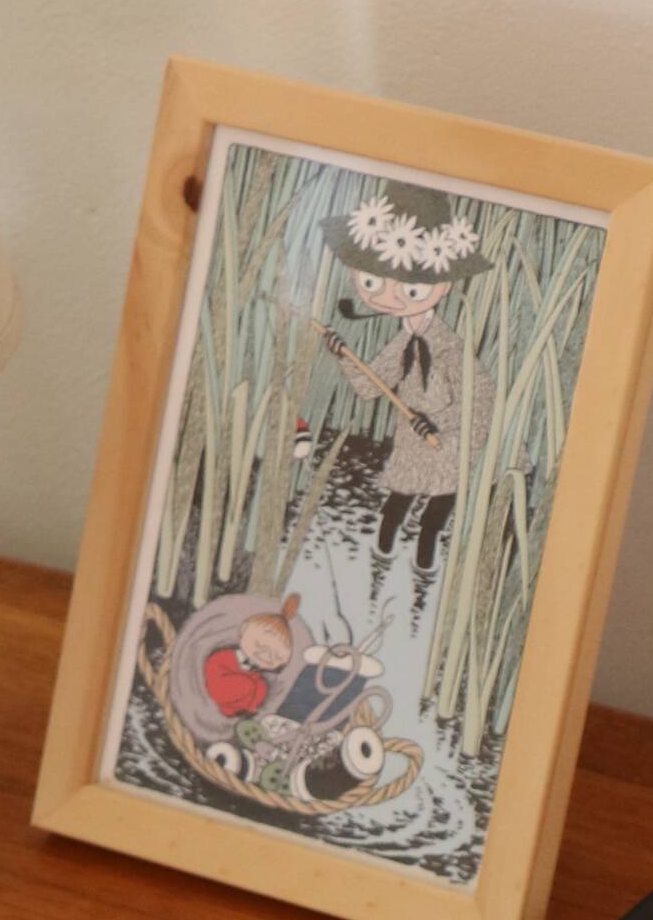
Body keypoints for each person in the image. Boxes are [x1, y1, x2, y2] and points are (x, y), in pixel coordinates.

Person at [317, 181, 496, 595]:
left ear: (442, 287)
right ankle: (375, 582)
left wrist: (437, 422)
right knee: (393, 510)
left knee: (432, 523)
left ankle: (420, 590)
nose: (391, 298)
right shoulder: (403, 342)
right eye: (373, 282)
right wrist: (343, 355)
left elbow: (481, 400)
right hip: (413, 447)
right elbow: (370, 386)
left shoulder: (452, 349)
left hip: (451, 449)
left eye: (411, 288)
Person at [201, 598, 300, 724]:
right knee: (248, 684)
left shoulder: (257, 678)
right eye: (259, 645)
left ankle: (239, 713)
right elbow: (215, 673)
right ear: (244, 630)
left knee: (261, 686)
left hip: (237, 708)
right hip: (218, 684)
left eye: (276, 656)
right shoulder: (222, 657)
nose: (265, 656)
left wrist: (250, 707)